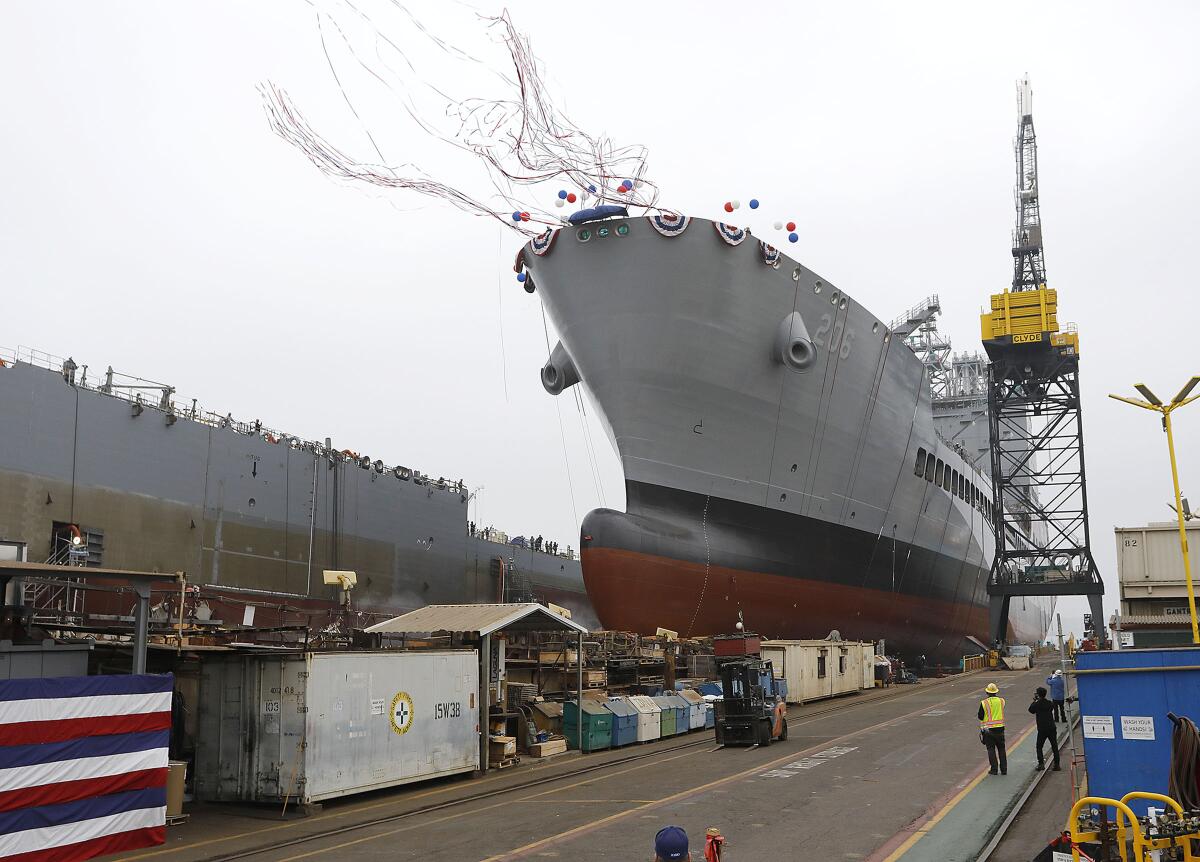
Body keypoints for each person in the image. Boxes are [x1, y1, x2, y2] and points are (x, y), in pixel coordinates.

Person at [1028, 686, 1061, 771]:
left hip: (1042, 729)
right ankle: (1057, 765)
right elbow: (1051, 707)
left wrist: (1035, 700)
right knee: (1054, 746)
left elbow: (1031, 710)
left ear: (1038, 694)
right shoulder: (1049, 703)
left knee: (1039, 746)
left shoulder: (1037, 704)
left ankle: (1041, 764)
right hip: (1051, 727)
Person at [978, 682, 1007, 775]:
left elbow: (980, 716)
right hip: (1000, 729)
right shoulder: (1002, 701)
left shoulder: (984, 703)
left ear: (987, 692)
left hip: (988, 730)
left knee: (991, 749)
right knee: (1001, 749)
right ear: (996, 692)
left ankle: (994, 770)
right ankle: (1004, 769)